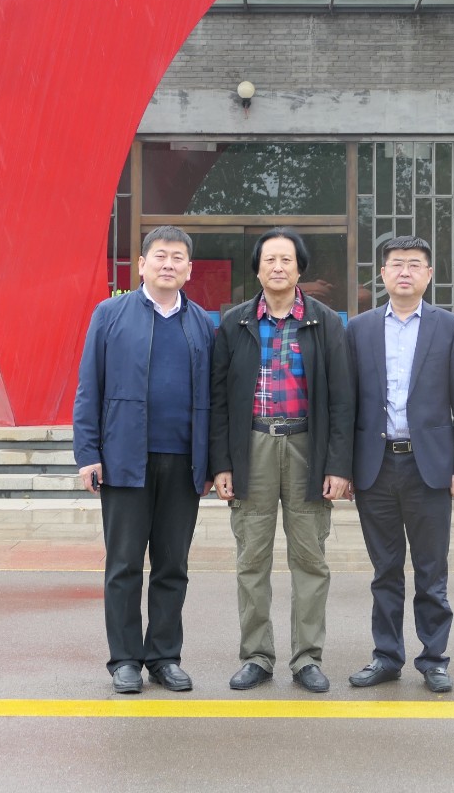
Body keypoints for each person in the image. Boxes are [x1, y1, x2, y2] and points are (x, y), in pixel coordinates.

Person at [211, 227, 354, 693]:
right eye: (269, 259)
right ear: (257, 269)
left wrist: (338, 466)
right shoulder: (234, 323)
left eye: (286, 260)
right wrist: (222, 463)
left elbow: (342, 400)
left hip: (306, 448)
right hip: (252, 447)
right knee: (251, 559)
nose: (277, 267)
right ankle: (256, 655)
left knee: (310, 559)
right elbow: (218, 401)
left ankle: (307, 658)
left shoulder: (325, 322)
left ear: (299, 269)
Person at [73, 225, 215, 694]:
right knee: (124, 565)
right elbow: (89, 386)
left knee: (173, 567)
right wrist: (88, 453)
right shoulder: (110, 314)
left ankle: (165, 657)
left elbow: (213, 398)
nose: (168, 264)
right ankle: (125, 660)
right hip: (124, 460)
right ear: (142, 264)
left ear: (189, 269)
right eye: (160, 255)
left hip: (184, 461)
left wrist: (213, 462)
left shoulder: (202, 323)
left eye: (178, 257)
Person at [344, 235, 454, 693]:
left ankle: (434, 659)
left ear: (428, 274)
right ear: (382, 274)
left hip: (430, 467)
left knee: (430, 571)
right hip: (376, 466)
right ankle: (386, 657)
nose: (405, 271)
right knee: (384, 570)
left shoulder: (451, 328)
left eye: (415, 264)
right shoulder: (359, 329)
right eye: (397, 264)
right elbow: (347, 404)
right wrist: (343, 468)